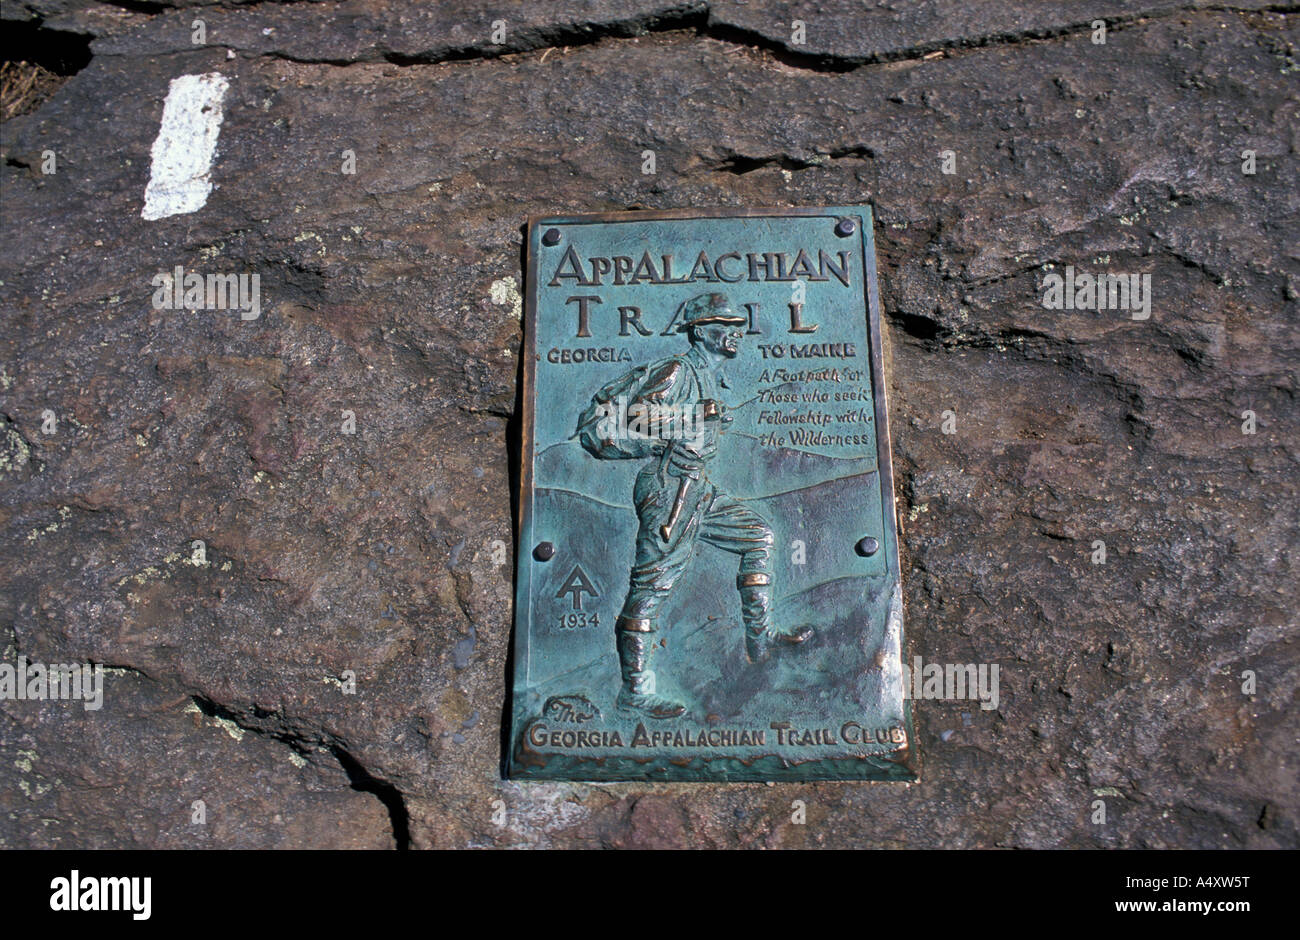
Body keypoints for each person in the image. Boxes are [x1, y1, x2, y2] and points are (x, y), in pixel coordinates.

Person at [579, 292, 814, 720]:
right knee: (652, 587)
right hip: (669, 488)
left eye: (737, 327)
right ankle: (635, 690)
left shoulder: (709, 375)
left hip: (696, 485)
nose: (734, 335)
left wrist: (707, 418)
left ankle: (760, 639)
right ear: (702, 332)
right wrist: (693, 414)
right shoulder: (677, 371)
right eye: (724, 328)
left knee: (758, 535)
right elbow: (634, 416)